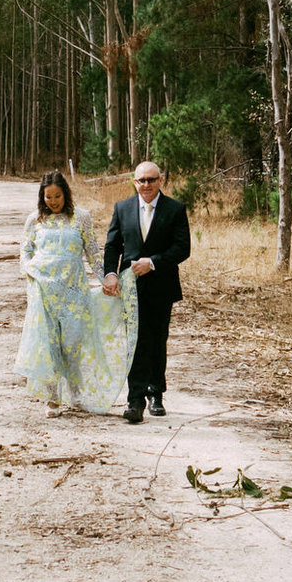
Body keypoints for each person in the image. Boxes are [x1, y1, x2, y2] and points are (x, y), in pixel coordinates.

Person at [15, 171, 137, 414]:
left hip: (74, 293)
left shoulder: (81, 218)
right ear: (42, 197)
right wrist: (29, 270)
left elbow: (93, 253)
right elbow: (25, 251)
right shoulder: (35, 220)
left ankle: (76, 393)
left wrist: (108, 279)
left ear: (66, 194)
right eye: (48, 197)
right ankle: (52, 398)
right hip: (44, 292)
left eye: (57, 196)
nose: (53, 201)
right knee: (49, 345)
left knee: (72, 345)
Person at [101, 159, 189, 424]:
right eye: (142, 180)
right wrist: (111, 274)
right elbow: (112, 245)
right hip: (130, 289)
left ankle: (156, 393)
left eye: (151, 180)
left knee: (157, 340)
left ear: (160, 180)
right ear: (134, 182)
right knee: (135, 342)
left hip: (162, 286)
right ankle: (135, 399)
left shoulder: (174, 209)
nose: (146, 185)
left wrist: (152, 263)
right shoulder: (123, 208)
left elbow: (182, 248)